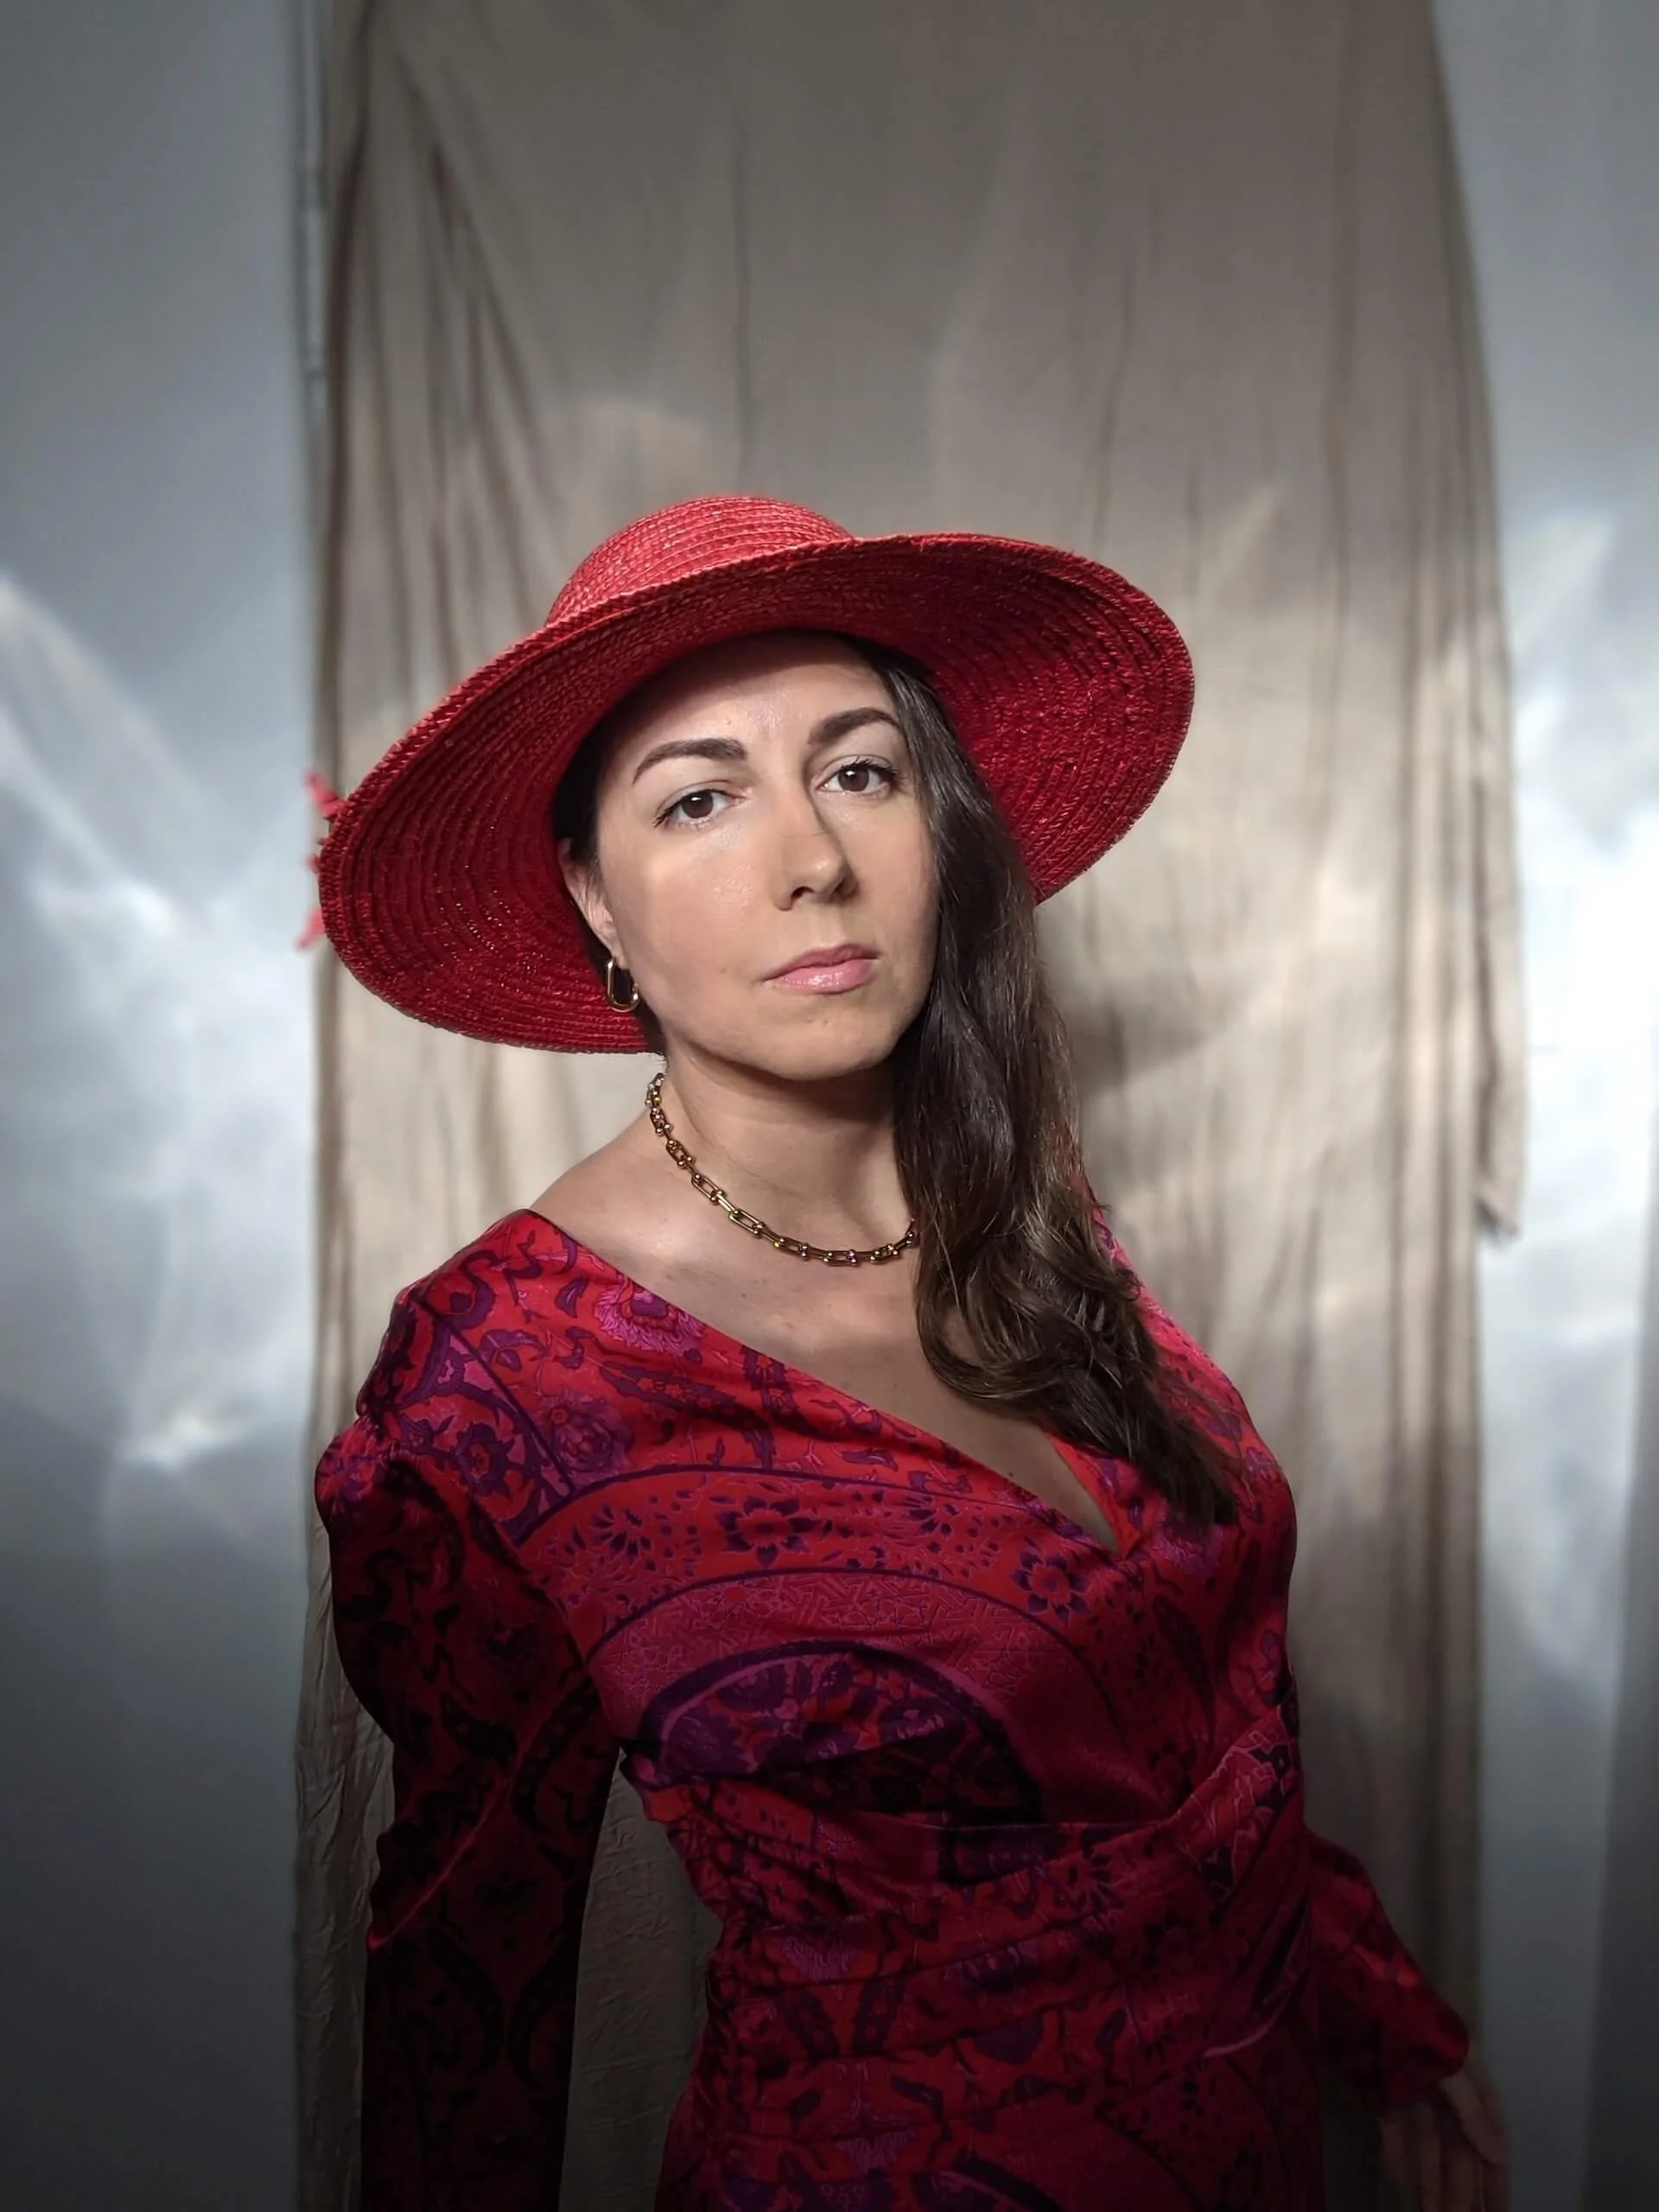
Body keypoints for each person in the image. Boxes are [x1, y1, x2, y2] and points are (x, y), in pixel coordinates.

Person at [314, 494, 1510, 2210]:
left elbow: (1198, 1710)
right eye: (702, 795)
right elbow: (462, 1995)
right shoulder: (500, 1389)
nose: (812, 855)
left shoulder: (1027, 1214)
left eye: (862, 770)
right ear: (592, 890)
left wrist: (1396, 2034)